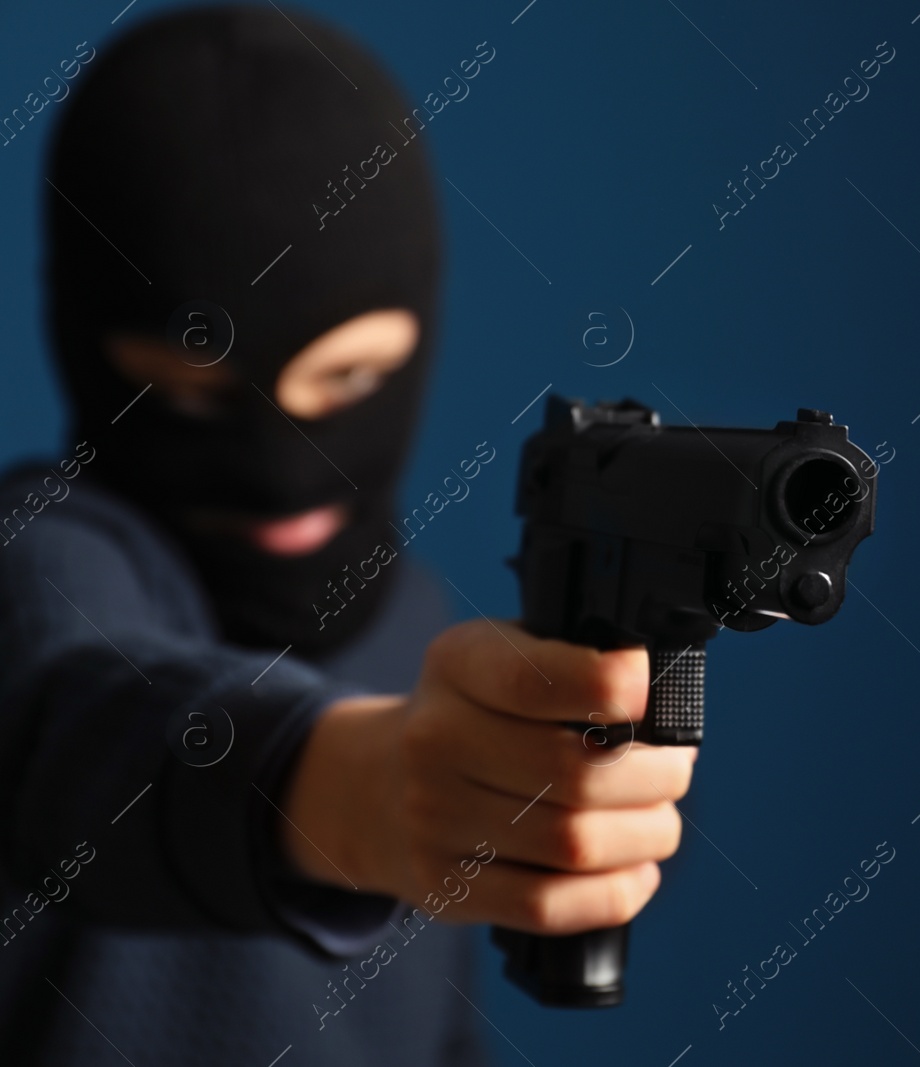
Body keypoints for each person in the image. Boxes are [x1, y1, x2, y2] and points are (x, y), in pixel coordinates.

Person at [0, 7, 693, 1064]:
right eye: (190, 393)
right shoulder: (40, 560)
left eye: (351, 377)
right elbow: (74, 725)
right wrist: (353, 788)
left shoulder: (414, 618)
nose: (282, 467)